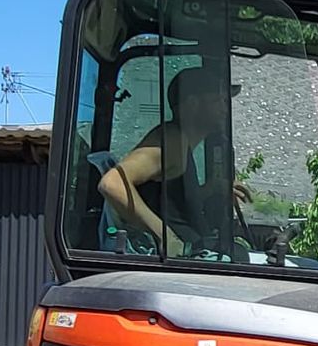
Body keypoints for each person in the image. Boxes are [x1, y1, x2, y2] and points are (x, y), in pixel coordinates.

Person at [97, 66, 248, 258]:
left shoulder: (182, 145)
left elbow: (166, 205)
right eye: (217, 100)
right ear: (192, 104)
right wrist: (166, 236)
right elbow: (112, 184)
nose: (225, 108)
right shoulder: (172, 141)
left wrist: (213, 188)